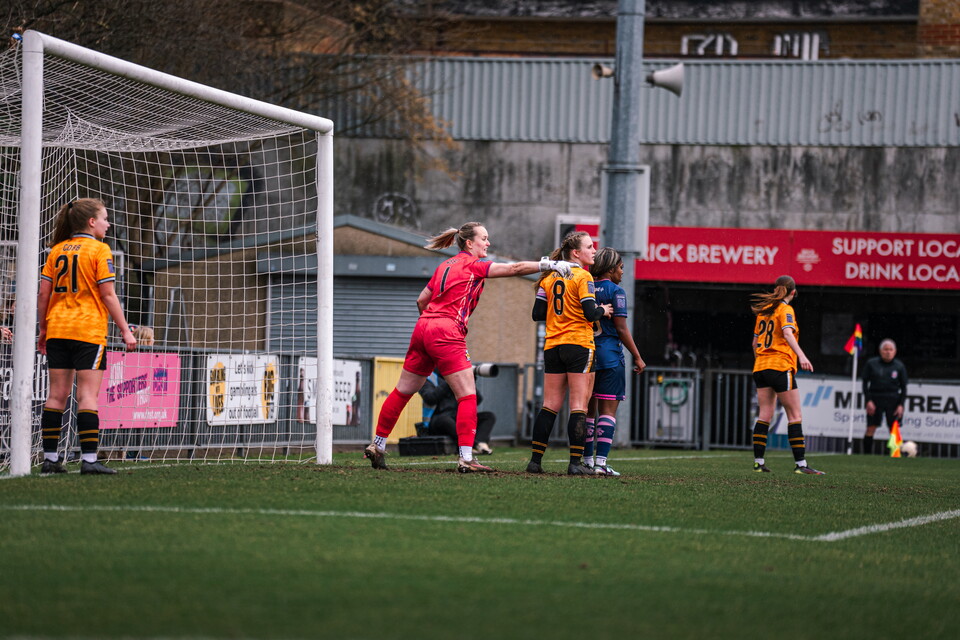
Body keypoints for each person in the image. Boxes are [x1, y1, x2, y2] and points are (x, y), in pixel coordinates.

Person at [363, 221, 574, 473]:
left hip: (423, 327)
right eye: (484, 238)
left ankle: (378, 444)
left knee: (403, 391)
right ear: (469, 243)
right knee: (467, 395)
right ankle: (466, 458)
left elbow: (422, 300)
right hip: (446, 330)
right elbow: (514, 268)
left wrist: (431, 325)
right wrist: (550, 264)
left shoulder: (444, 265)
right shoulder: (473, 264)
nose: (488, 243)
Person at [37, 198, 137, 475]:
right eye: (105, 218)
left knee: (56, 396)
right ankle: (90, 460)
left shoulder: (56, 251)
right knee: (88, 397)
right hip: (88, 331)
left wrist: (43, 330)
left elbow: (44, 294)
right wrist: (125, 330)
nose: (108, 223)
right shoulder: (99, 250)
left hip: (58, 329)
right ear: (91, 222)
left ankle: (50, 459)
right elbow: (107, 294)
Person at [527, 230, 613, 476]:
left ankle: (535, 461)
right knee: (578, 405)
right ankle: (575, 464)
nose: (594, 250)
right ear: (576, 253)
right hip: (579, 344)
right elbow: (589, 313)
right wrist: (603, 310)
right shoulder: (583, 275)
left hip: (553, 345)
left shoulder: (550, 276)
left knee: (550, 404)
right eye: (589, 246)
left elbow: (537, 314)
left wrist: (561, 315)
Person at [749, 275, 824, 475]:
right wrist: (802, 356)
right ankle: (801, 465)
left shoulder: (763, 311)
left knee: (764, 414)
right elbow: (788, 333)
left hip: (760, 367)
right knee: (794, 415)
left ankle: (758, 462)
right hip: (780, 366)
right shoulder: (786, 309)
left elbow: (755, 344)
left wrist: (761, 361)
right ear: (793, 292)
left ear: (776, 289)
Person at [583, 247, 646, 476]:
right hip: (609, 357)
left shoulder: (586, 286)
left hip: (588, 355)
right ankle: (601, 463)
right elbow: (621, 328)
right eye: (620, 267)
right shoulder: (616, 291)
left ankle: (588, 461)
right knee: (607, 411)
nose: (622, 272)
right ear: (610, 269)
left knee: (589, 412)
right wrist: (637, 356)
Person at [419, 371, 496, 455]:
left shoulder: (459, 378)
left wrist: (469, 382)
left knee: (488, 416)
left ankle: (481, 445)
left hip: (457, 417)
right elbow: (430, 398)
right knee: (445, 420)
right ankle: (475, 445)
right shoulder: (428, 379)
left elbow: (478, 400)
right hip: (436, 420)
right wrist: (450, 381)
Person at [861, 339, 908, 454]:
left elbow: (904, 387)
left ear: (895, 351)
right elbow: (864, 383)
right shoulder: (871, 363)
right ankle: (866, 455)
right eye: (886, 349)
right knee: (871, 427)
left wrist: (901, 405)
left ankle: (893, 454)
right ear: (880, 351)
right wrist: (868, 400)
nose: (888, 352)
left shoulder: (899, 366)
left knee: (893, 429)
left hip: (893, 399)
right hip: (875, 398)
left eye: (891, 350)